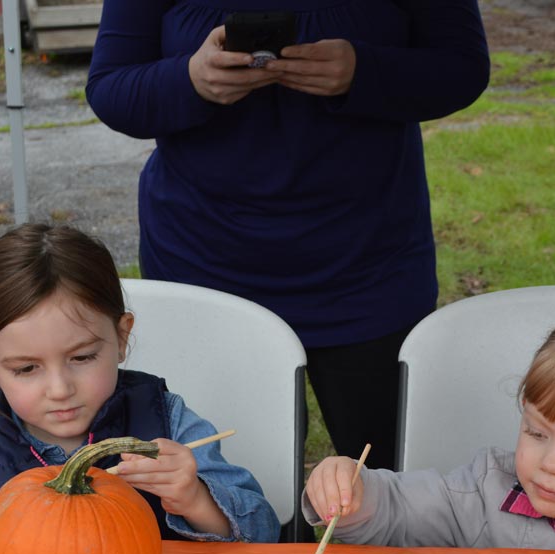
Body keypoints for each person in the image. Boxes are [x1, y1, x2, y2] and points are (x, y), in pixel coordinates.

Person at [85, 1, 491, 470]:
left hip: (368, 266)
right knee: (231, 488)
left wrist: (364, 70)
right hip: (206, 262)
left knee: (392, 485)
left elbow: (462, 67)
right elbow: (111, 88)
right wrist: (191, 79)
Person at [0, 223, 280, 543]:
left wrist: (195, 499)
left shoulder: (168, 422)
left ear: (121, 337)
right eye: (27, 368)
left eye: (82, 358)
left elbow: (265, 533)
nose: (60, 389)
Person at [302, 309, 555, 550]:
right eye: (537, 433)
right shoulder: (483, 492)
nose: (551, 465)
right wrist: (353, 491)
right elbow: (398, 512)